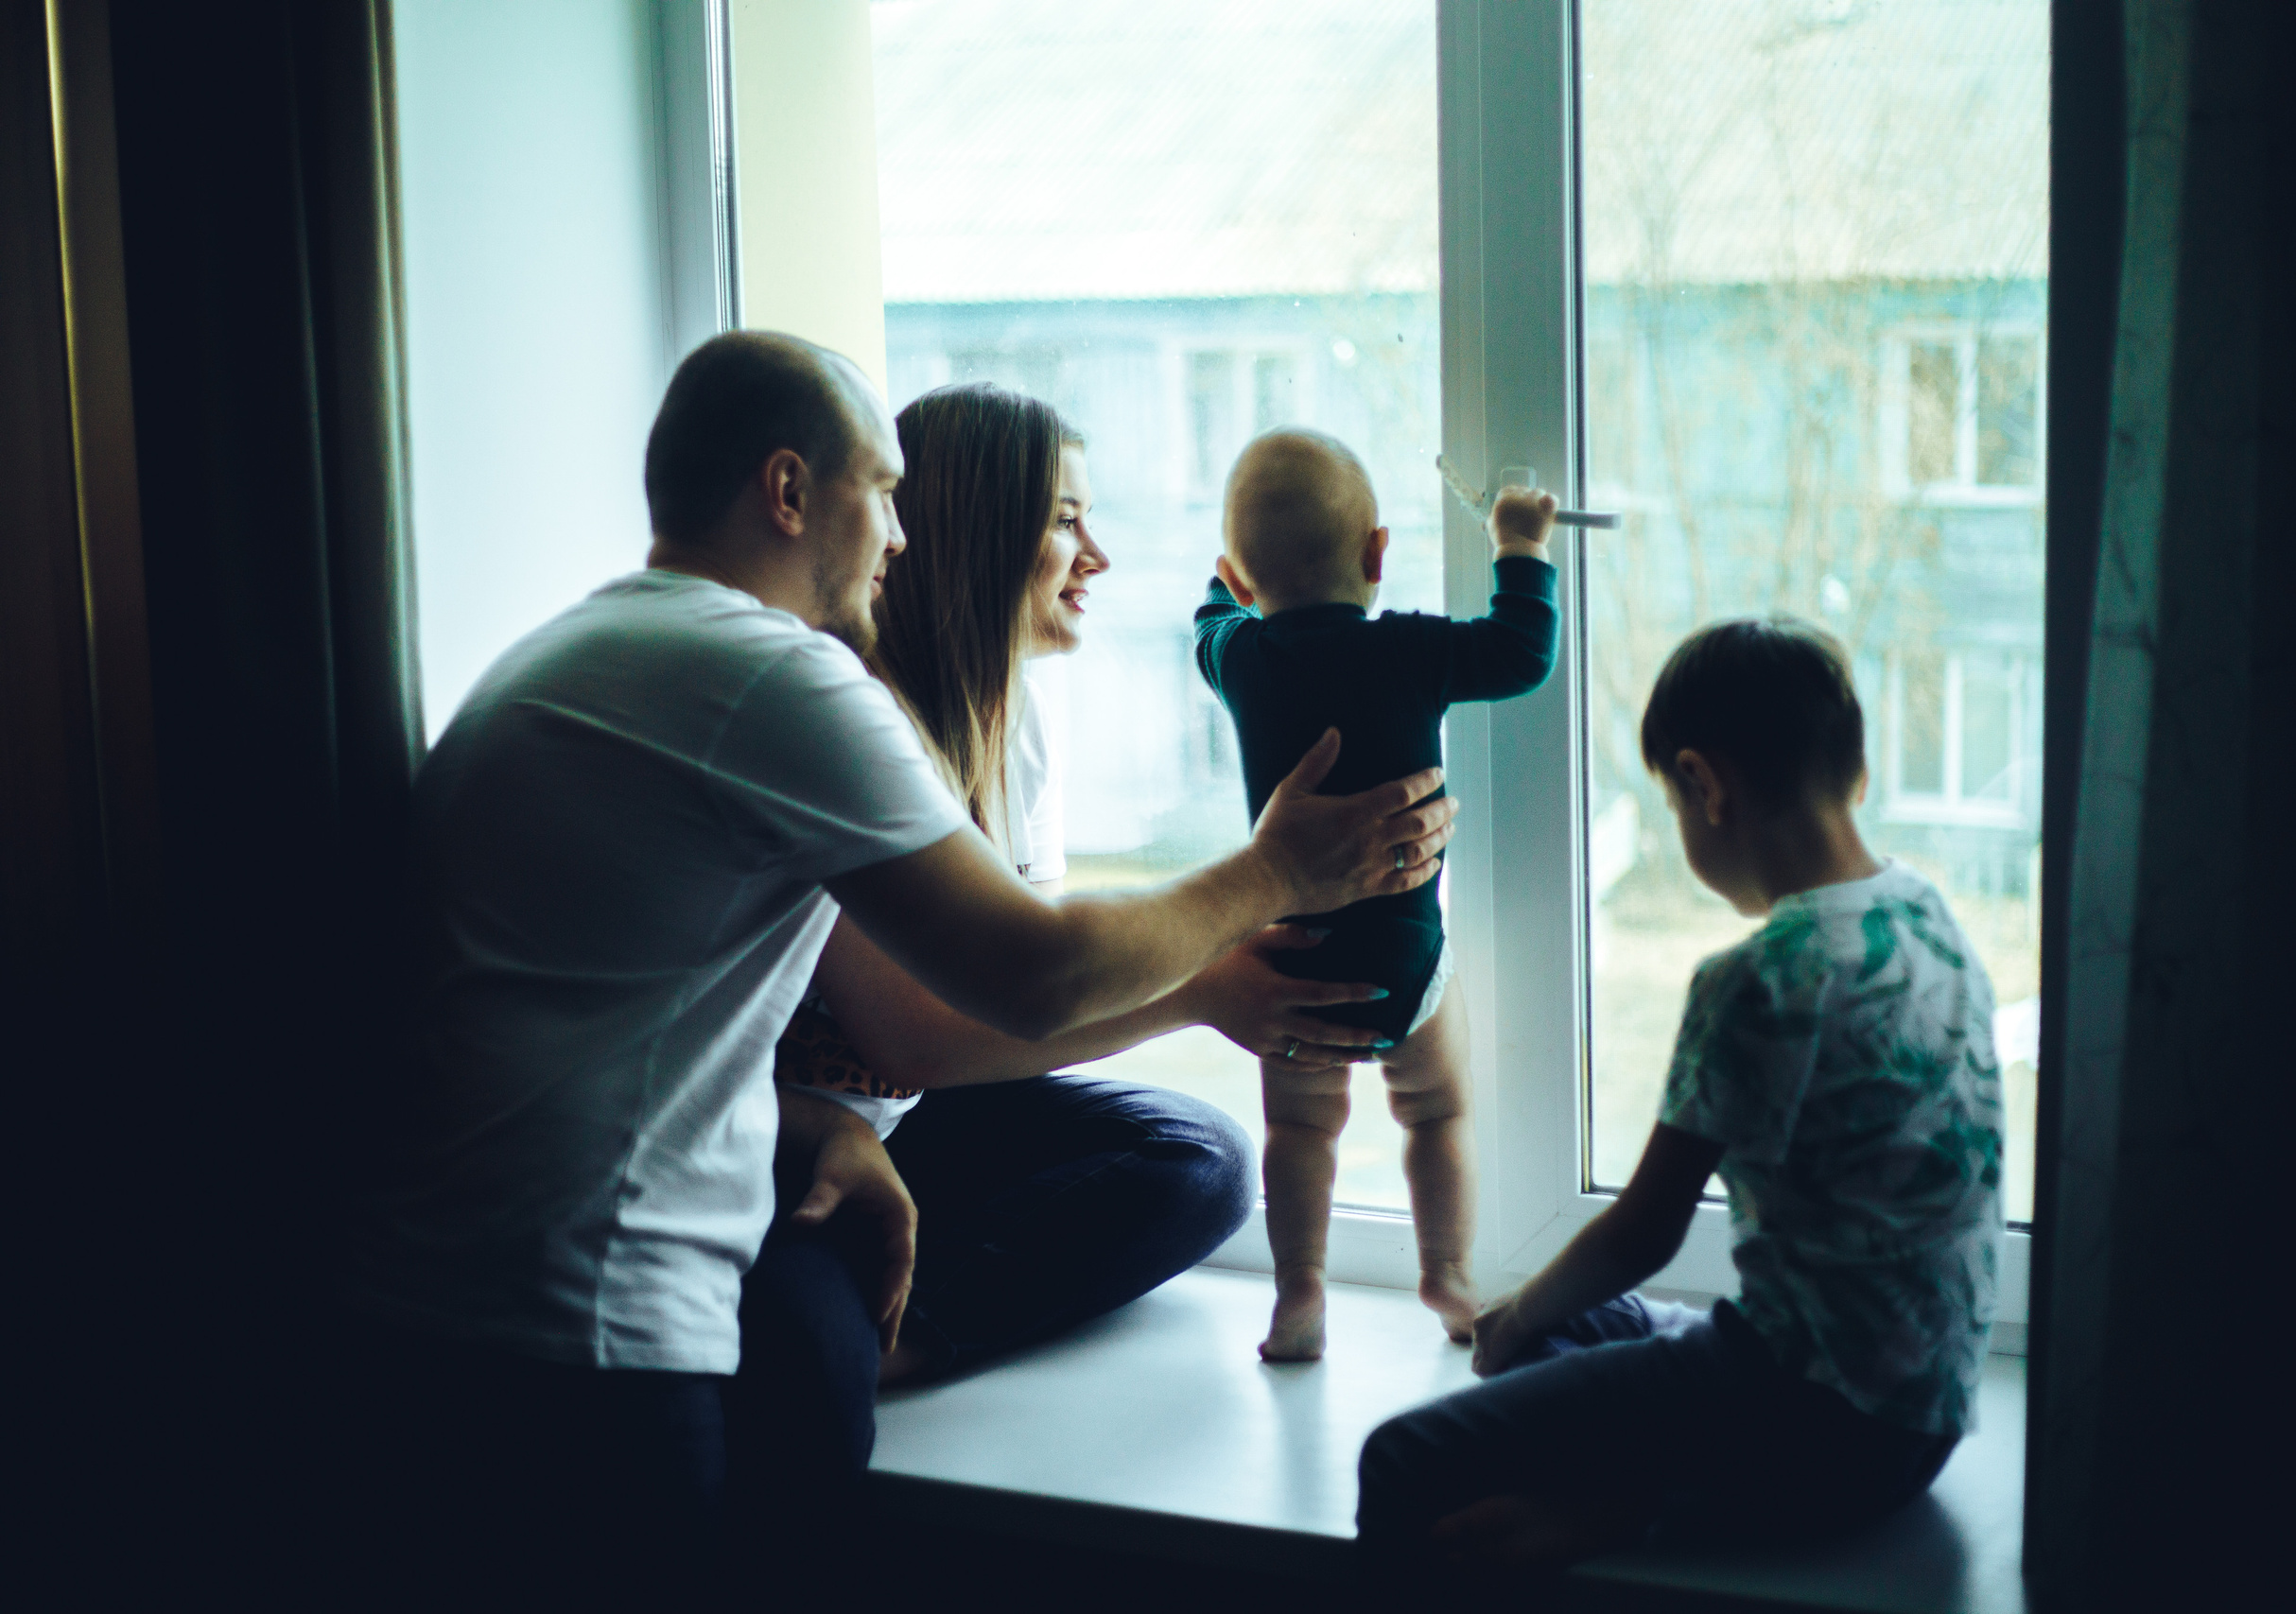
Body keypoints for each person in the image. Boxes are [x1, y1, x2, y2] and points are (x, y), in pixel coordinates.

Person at [349, 333, 1457, 1598]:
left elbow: (573, 1022)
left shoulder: (584, 652)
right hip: (582, 1333)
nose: (899, 532)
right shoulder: (770, 676)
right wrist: (1273, 876)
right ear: (787, 491)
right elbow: (1026, 977)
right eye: (880, 491)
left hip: (431, 1303)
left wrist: (821, 1122)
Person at [743, 385, 1409, 1432]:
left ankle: (894, 1323)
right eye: (1064, 521)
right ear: (977, 534)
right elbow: (918, 1035)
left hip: (903, 1122)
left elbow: (1021, 1001)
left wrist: (1219, 980)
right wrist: (1206, 984)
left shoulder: (1017, 725)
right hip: (779, 1141)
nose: (1095, 556)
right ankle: (862, 1336)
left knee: (1200, 1158)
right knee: (806, 1359)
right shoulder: (851, 718)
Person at [1354, 616, 2003, 1574]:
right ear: (1855, 770)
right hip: (1921, 1423)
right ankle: (1642, 1490)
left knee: (1401, 1458)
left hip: (1808, 1420)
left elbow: (1643, 1233)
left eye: (1671, 800)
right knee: (1576, 1321)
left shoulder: (1761, 977)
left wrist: (1512, 1326)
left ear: (1704, 785)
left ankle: (1631, 1502)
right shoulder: (1929, 915)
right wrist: (1532, 1312)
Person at [1193, 429, 1561, 1360]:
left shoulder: (1242, 656)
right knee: (1436, 1112)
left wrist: (1226, 585)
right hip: (1405, 963)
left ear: (1240, 578)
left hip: (1291, 969)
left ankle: (1300, 1293)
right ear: (1376, 552)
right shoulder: (1410, 649)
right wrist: (1519, 545)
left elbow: (1207, 625)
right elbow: (1522, 653)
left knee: (1298, 1127)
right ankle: (1447, 1274)